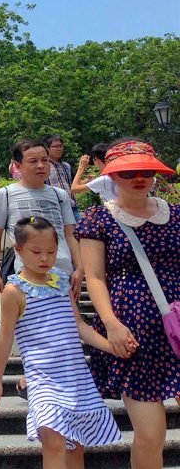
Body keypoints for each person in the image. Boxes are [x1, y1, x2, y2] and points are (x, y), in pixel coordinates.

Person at [74, 139, 180, 469]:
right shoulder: (98, 218)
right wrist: (112, 324)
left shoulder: (175, 214)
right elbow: (95, 278)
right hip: (133, 331)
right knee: (151, 433)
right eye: (130, 172)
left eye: (146, 171)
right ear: (113, 176)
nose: (140, 177)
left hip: (176, 327)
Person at [0, 217, 125, 465]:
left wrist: (111, 347)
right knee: (53, 441)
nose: (44, 258)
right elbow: (6, 337)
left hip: (75, 377)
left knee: (76, 447)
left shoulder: (62, 281)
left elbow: (79, 325)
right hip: (43, 379)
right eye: (36, 252)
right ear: (18, 250)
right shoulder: (14, 291)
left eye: (51, 252)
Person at [0, 138, 82, 301]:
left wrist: (80, 269)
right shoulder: (6, 195)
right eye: (33, 161)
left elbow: (70, 234)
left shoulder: (60, 195)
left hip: (63, 273)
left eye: (45, 160)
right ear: (18, 165)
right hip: (26, 275)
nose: (41, 165)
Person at [45, 135, 79, 221]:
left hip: (71, 205)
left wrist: (88, 181)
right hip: (54, 206)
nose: (59, 149)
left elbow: (72, 185)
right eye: (56, 146)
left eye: (60, 146)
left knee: (78, 232)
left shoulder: (66, 166)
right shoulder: (44, 166)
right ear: (47, 148)